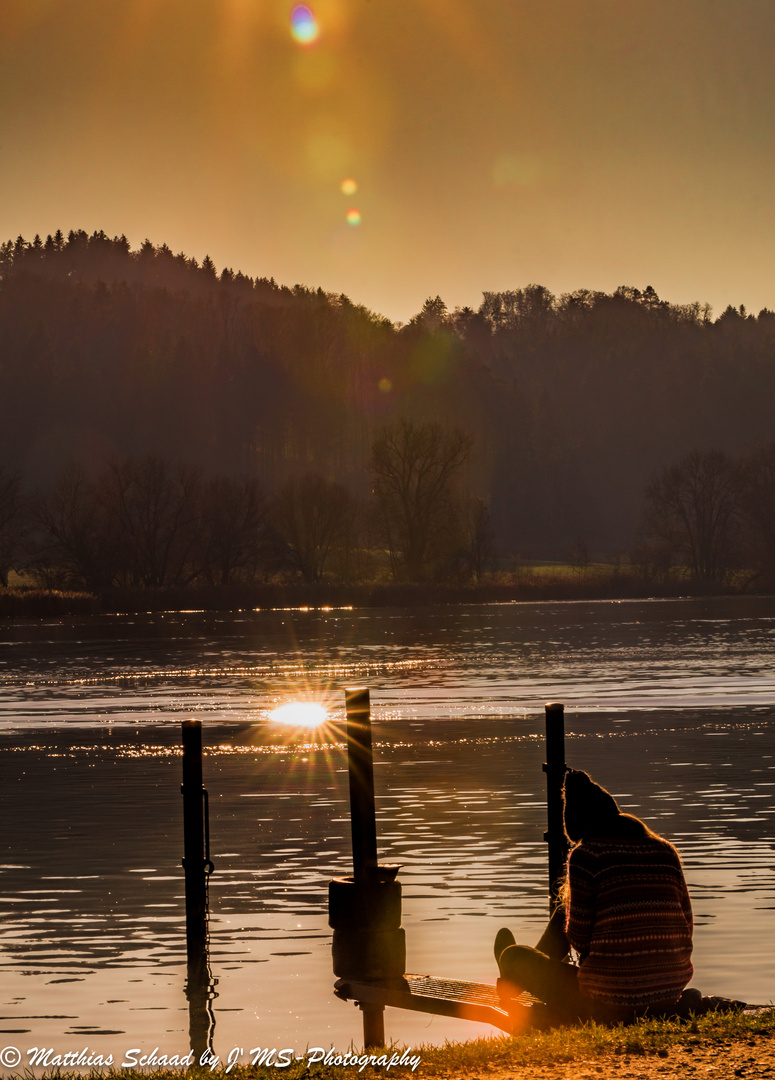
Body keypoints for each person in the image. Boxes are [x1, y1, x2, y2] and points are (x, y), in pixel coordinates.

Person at [494, 769, 694, 1023]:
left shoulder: (586, 856)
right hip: (667, 992)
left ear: (580, 827)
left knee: (515, 956)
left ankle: (511, 971)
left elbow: (578, 937)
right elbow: (686, 924)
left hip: (607, 1001)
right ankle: (514, 975)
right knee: (568, 907)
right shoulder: (665, 851)